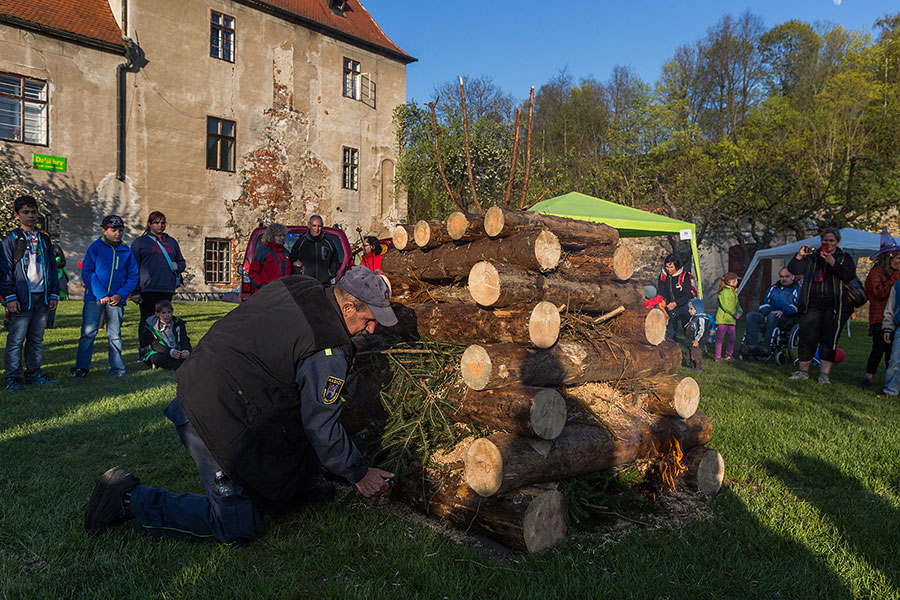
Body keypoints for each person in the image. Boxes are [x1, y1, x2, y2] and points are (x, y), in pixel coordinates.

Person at [83, 267, 397, 544]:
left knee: (287, 427)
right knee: (237, 527)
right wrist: (357, 472)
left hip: (209, 379)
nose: (370, 331)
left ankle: (297, 487)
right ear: (347, 306)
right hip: (213, 414)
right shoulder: (329, 347)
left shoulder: (299, 285)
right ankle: (126, 497)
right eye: (368, 321)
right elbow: (320, 423)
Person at [0, 195, 60, 391]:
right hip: (21, 298)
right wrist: (10, 297)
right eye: (26, 212)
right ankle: (13, 378)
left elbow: (52, 266)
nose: (31, 216)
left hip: (42, 296)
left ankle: (34, 374)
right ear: (17, 215)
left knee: (36, 338)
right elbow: (5, 270)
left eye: (34, 212)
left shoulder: (43, 238)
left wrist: (53, 293)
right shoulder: (11, 239)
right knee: (16, 339)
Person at [71, 215, 139, 379]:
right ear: (104, 230)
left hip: (116, 299)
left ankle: (117, 368)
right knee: (88, 333)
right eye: (113, 230)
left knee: (115, 335)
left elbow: (133, 276)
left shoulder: (126, 251)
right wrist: (100, 293)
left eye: (120, 230)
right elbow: (88, 272)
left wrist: (121, 294)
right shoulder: (95, 248)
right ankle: (81, 367)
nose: (117, 234)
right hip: (94, 298)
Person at [787, 227, 856, 384]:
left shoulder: (844, 257)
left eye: (831, 240)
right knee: (807, 337)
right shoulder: (813, 257)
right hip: (811, 303)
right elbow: (793, 269)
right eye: (825, 240)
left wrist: (832, 262)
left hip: (833, 304)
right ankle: (803, 372)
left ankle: (824, 375)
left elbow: (849, 275)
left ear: (837, 242)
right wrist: (799, 256)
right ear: (821, 241)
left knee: (829, 339)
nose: (828, 243)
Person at [131, 211, 185, 356]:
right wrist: (135, 291)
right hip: (147, 288)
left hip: (166, 287)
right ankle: (144, 351)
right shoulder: (140, 242)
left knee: (166, 322)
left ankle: (164, 350)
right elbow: (133, 267)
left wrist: (177, 267)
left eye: (162, 223)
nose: (160, 226)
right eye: (156, 223)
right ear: (149, 224)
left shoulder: (171, 241)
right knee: (147, 321)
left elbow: (182, 262)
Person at [860, 229, 900, 389]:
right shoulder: (876, 273)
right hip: (880, 317)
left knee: (892, 351)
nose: (899, 261)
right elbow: (879, 293)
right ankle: (868, 377)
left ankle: (890, 380)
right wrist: (896, 278)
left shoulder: (895, 273)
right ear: (888, 258)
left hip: (893, 316)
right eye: (897, 258)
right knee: (879, 349)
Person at [743, 268, 799, 357]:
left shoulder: (797, 289)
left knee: (772, 316)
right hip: (769, 314)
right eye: (781, 276)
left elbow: (796, 306)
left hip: (787, 318)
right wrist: (766, 313)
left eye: (787, 276)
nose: (784, 279)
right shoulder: (773, 288)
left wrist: (783, 311)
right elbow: (765, 303)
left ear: (792, 277)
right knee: (751, 315)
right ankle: (752, 345)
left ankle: (766, 347)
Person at [141, 299, 191, 371]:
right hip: (162, 352)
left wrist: (186, 351)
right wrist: (170, 352)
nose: (167, 315)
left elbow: (184, 339)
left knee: (195, 354)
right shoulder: (151, 327)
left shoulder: (178, 324)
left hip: (178, 351)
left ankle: (181, 363)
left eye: (169, 312)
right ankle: (179, 366)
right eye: (163, 313)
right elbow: (155, 345)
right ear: (157, 314)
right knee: (157, 358)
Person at [657, 254, 696, 342]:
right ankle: (672, 353)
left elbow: (687, 294)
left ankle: (691, 353)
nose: (668, 269)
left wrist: (676, 303)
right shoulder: (663, 276)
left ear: (676, 266)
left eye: (671, 267)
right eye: (667, 267)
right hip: (670, 307)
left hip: (684, 306)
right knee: (670, 334)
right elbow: (661, 291)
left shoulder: (684, 276)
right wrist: (662, 303)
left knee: (688, 333)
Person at [290, 215, 340, 284]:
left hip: (324, 285)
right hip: (305, 284)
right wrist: (298, 270)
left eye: (319, 226)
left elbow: (335, 260)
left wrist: (330, 273)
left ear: (322, 226)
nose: (316, 229)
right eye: (314, 225)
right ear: (309, 225)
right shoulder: (301, 242)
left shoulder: (328, 243)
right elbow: (292, 258)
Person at [247, 223, 290, 292]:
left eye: (283, 235)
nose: (282, 238)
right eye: (279, 235)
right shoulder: (262, 251)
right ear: (272, 236)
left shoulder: (285, 253)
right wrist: (262, 286)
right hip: (266, 292)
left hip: (283, 292)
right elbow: (253, 272)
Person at [879, 277, 900, 397]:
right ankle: (891, 390)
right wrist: (888, 326)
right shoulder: (897, 286)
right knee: (895, 361)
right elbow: (890, 309)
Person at [714, 272, 742, 362]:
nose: (737, 281)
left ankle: (729, 354)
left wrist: (740, 311)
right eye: (736, 280)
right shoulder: (723, 292)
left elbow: (737, 304)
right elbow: (726, 306)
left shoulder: (734, 292)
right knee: (720, 339)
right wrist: (734, 313)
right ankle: (718, 356)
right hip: (723, 319)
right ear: (731, 281)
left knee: (732, 339)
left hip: (731, 321)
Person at [46, 237, 68, 329]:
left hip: (54, 275)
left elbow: (63, 262)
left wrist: (54, 265)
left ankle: (50, 322)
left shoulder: (56, 248)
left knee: (52, 300)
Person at [684, 298, 711, 372]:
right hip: (691, 339)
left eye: (691, 309)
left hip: (697, 341)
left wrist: (697, 340)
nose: (689, 310)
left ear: (697, 309)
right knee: (690, 353)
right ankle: (692, 365)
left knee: (696, 354)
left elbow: (701, 330)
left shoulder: (701, 319)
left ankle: (698, 367)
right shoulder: (693, 318)